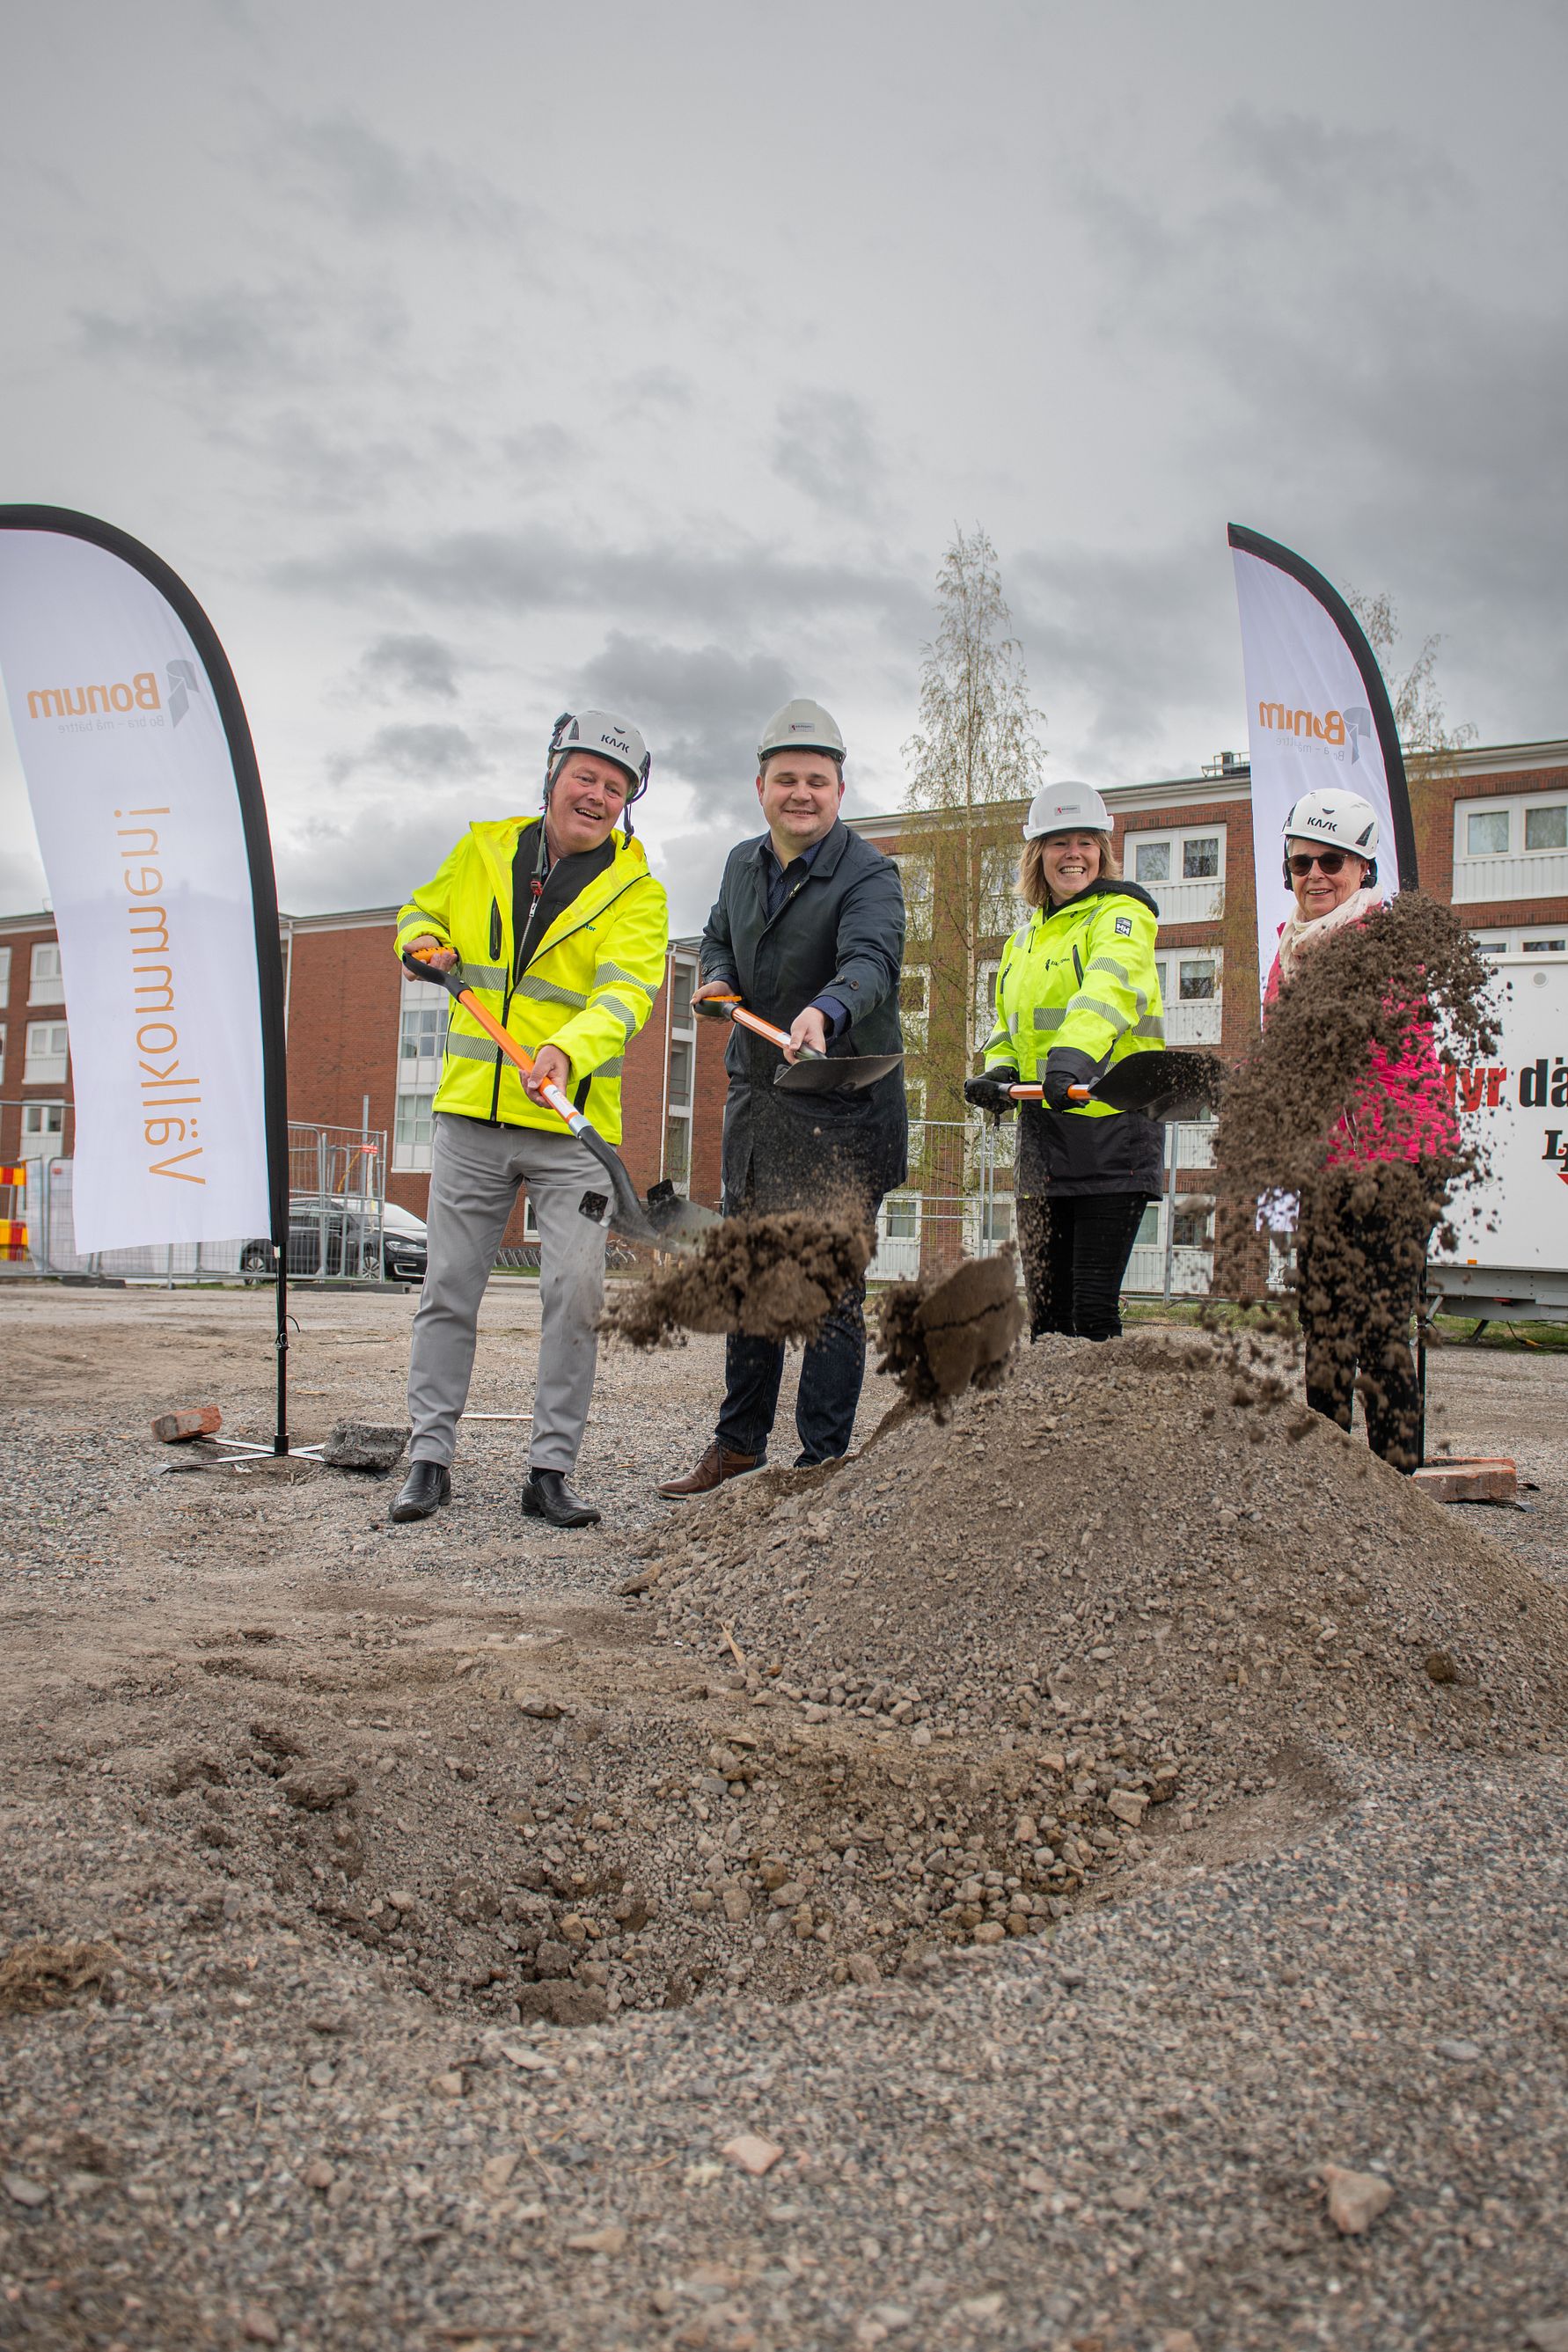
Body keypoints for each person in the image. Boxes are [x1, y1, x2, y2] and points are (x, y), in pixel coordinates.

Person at [389, 709, 669, 1529]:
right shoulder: (480, 850)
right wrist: (424, 943)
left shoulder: (638, 893)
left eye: (616, 788)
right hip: (471, 1117)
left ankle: (550, 1471)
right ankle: (428, 1459)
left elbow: (624, 997)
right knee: (448, 1288)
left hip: (567, 1124)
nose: (598, 795)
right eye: (586, 776)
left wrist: (567, 1050)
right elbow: (417, 914)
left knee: (575, 1295)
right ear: (553, 775)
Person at [657, 699, 906, 1494]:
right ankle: (738, 1446)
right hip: (759, 1105)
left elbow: (872, 960)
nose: (802, 794)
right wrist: (721, 974)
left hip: (840, 1106)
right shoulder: (740, 862)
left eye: (818, 782)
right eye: (787, 779)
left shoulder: (869, 873)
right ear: (760, 785)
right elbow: (718, 934)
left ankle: (821, 1464)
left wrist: (825, 1009)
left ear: (840, 790)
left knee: (828, 1291)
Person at [1264, 788, 1454, 1471]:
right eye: (1300, 862)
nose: (1314, 875)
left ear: (1363, 868)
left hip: (1398, 1160)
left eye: (1332, 861)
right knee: (1325, 1322)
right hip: (1327, 1163)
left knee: (1378, 1324)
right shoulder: (1289, 949)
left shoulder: (1384, 941)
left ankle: (1399, 1488)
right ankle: (1330, 1486)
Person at [965, 782, 1164, 1341]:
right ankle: (1048, 1428)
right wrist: (1000, 1068)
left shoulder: (1121, 915)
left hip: (1110, 1129)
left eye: (1086, 841)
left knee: (1091, 1314)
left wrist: (1072, 1057)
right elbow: (1013, 1022)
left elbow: (1111, 986)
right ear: (1037, 854)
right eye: (1058, 842)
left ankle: (1105, 1427)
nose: (1073, 853)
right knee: (1048, 1321)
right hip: (1045, 1137)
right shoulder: (1023, 940)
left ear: (1102, 851)